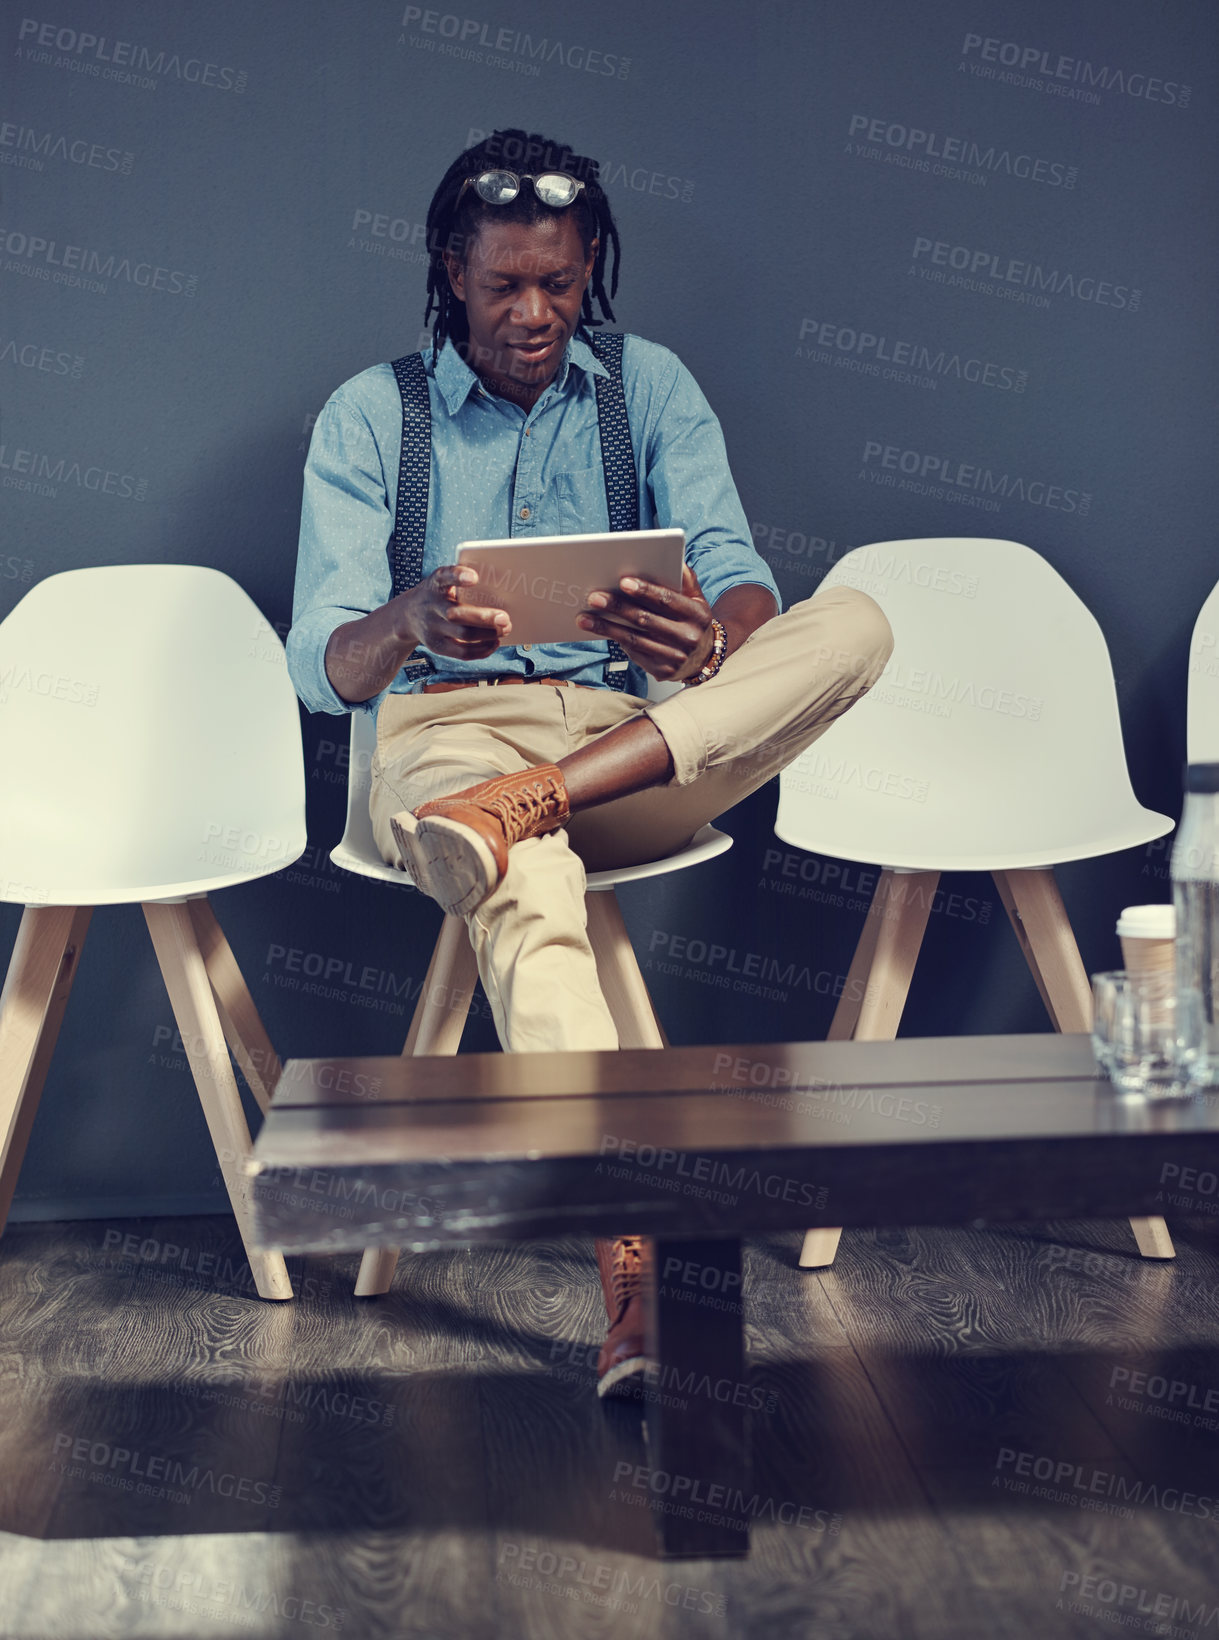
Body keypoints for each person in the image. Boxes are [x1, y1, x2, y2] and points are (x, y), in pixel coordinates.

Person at [287, 127, 892, 1399]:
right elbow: (322, 669)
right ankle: (638, 1279)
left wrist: (714, 631)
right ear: (452, 271)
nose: (535, 313)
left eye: (560, 284)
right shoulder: (369, 416)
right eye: (506, 284)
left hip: (629, 746)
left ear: (592, 266)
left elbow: (738, 573)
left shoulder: (648, 386)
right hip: (450, 739)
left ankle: (537, 803)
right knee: (524, 892)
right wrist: (412, 619)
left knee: (859, 622)